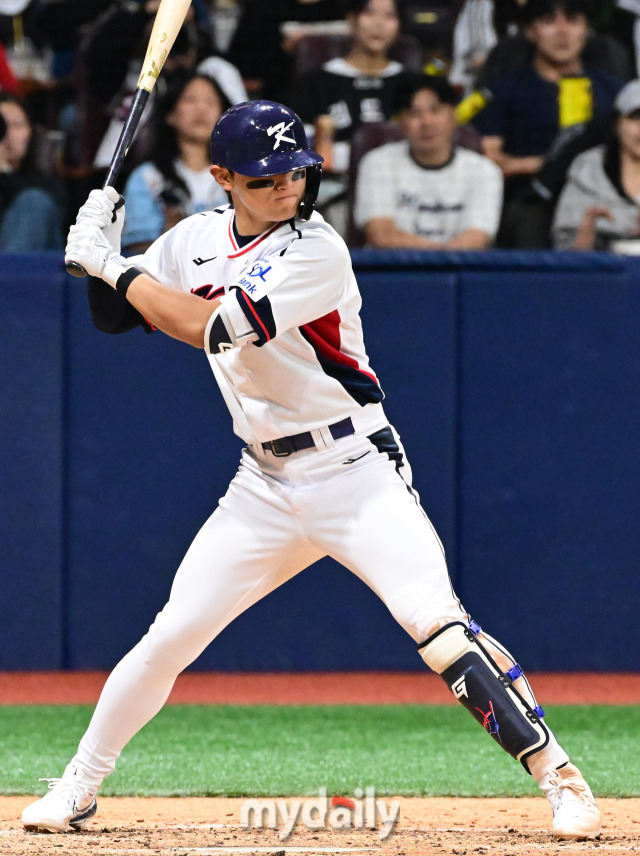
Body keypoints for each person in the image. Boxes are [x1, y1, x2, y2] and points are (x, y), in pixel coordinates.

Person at [23, 100, 600, 842]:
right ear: (222, 176)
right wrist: (99, 256)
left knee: (436, 625)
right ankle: (78, 786)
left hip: (355, 468)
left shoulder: (317, 250)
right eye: (266, 178)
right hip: (262, 485)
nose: (287, 186)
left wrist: (113, 264)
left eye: (296, 171)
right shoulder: (197, 237)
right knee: (171, 635)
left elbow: (210, 329)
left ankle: (562, 781)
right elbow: (119, 318)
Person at [472, 0, 625, 247]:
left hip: (602, 199)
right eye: (549, 21)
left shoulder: (615, 92)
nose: (562, 32)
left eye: (573, 21)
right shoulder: (503, 89)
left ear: (586, 30)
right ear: (530, 31)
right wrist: (544, 165)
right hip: (530, 201)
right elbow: (486, 160)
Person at [353, 74, 503, 248]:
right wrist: (440, 255)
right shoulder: (377, 164)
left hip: (459, 271)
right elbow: (381, 235)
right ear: (400, 123)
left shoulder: (485, 171)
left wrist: (438, 263)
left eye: (436, 110)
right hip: (393, 269)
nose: (426, 122)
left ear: (453, 116)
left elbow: (477, 238)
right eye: (414, 114)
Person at [291, 0, 414, 176]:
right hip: (333, 182)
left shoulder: (411, 83)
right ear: (351, 19)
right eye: (369, 13)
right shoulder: (317, 81)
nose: (378, 23)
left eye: (389, 16)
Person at [120, 71, 230, 254]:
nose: (201, 109)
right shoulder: (148, 177)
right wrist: (170, 238)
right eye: (190, 100)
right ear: (170, 114)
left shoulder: (239, 176)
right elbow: (135, 250)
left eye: (211, 102)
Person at [552, 78, 640, 250]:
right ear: (616, 124)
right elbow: (567, 252)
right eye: (635, 118)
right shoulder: (588, 167)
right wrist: (587, 230)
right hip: (603, 271)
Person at [0, 92, 64, 251]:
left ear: (31, 132)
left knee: (34, 202)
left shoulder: (46, 184)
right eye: (1, 126)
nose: (6, 134)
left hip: (36, 268)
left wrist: (5, 171)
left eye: (16, 125)